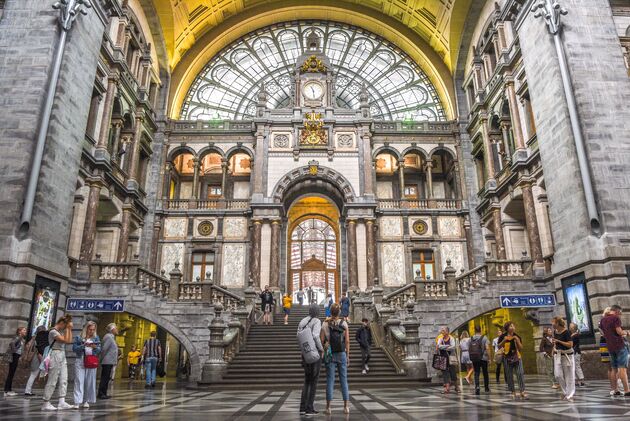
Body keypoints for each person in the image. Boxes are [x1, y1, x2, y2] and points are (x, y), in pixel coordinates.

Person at [320, 303, 350, 415]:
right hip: (342, 353)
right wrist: (348, 355)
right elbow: (347, 341)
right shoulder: (344, 323)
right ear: (339, 313)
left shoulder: (324, 324)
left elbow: (321, 340)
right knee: (344, 380)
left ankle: (328, 407)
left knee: (330, 380)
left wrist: (324, 349)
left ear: (330, 312)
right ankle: (346, 406)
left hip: (330, 353)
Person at [42, 315, 74, 411]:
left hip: (62, 354)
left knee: (64, 379)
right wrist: (68, 328)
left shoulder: (60, 331)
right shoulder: (53, 332)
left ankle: (62, 401)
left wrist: (69, 329)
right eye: (65, 325)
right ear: (62, 323)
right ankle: (46, 402)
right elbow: (66, 340)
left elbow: (70, 340)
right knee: (53, 379)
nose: (66, 328)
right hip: (55, 354)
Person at [298, 304, 324, 416]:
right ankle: (310, 408)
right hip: (314, 353)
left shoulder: (303, 321)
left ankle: (302, 407)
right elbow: (315, 335)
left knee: (306, 380)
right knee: (314, 381)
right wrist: (321, 349)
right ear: (317, 312)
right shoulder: (317, 321)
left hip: (305, 353)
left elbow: (299, 336)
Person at [600, 304, 630, 396]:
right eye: (620, 313)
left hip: (610, 346)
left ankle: (615, 390)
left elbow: (604, 333)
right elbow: (619, 332)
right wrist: (627, 332)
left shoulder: (602, 320)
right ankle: (627, 390)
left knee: (614, 369)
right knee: (622, 368)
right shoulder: (615, 318)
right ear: (618, 311)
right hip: (619, 345)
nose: (620, 315)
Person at [72, 321, 101, 409]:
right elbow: (74, 349)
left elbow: (99, 350)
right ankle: (77, 402)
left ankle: (86, 400)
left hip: (91, 361)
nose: (91, 331)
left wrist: (95, 347)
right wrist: (83, 346)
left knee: (89, 382)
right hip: (80, 360)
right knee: (79, 381)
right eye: (90, 329)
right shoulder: (79, 337)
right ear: (86, 329)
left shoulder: (96, 338)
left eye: (93, 329)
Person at [498, 321, 528, 400]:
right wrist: (504, 340)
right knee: (509, 375)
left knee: (520, 373)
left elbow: (521, 348)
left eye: (513, 326)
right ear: (507, 328)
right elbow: (498, 346)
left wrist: (517, 340)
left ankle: (522, 391)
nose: (513, 327)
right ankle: (512, 392)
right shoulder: (502, 336)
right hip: (506, 357)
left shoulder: (517, 336)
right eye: (511, 326)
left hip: (516, 356)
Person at [552, 317, 575, 401]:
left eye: (553, 322)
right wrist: (554, 347)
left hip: (567, 355)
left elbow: (570, 344)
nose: (552, 324)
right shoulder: (555, 331)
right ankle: (565, 392)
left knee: (569, 375)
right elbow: (555, 342)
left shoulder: (566, 332)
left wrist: (559, 341)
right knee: (558, 375)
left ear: (558, 323)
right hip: (558, 354)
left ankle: (570, 394)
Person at [25, 326, 49, 396]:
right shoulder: (38, 338)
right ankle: (27, 391)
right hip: (36, 357)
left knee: (33, 374)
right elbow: (38, 349)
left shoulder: (34, 337)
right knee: (33, 374)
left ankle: (28, 390)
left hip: (34, 357)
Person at [3, 326, 26, 397]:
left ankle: (9, 390)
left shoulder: (21, 338)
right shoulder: (18, 337)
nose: (25, 331)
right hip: (14, 356)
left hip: (16, 356)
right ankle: (6, 390)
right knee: (11, 373)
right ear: (19, 331)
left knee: (12, 373)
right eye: (24, 330)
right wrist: (15, 351)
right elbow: (12, 343)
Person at [97, 323, 118, 399]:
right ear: (112, 330)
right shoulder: (108, 337)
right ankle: (101, 393)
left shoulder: (111, 337)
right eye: (116, 328)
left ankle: (104, 393)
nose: (117, 329)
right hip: (107, 361)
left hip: (110, 361)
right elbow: (104, 349)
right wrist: (102, 359)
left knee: (107, 377)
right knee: (105, 377)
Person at [470, 325, 491, 395]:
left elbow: (469, 348)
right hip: (483, 358)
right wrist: (489, 358)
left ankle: (477, 386)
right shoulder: (484, 338)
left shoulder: (471, 338)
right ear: (480, 330)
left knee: (476, 373)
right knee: (485, 373)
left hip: (475, 358)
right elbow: (487, 348)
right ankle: (486, 388)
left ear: (474, 330)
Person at [569, 322, 585, 387]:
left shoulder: (575, 335)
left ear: (573, 328)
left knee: (577, 365)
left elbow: (572, 344)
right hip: (573, 352)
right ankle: (576, 381)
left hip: (576, 352)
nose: (569, 327)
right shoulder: (573, 335)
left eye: (570, 326)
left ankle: (581, 380)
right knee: (573, 366)